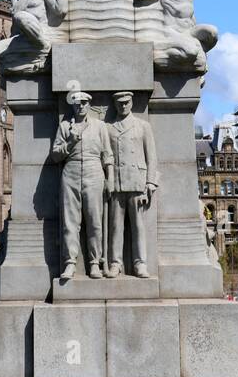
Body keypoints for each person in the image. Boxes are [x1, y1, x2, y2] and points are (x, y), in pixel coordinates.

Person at [52, 90, 113, 280]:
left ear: (89, 105)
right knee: (71, 223)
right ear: (72, 105)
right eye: (77, 103)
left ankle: (95, 263)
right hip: (70, 171)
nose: (81, 106)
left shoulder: (100, 126)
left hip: (94, 172)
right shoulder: (64, 126)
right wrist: (69, 143)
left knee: (95, 221)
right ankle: (70, 262)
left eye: (84, 103)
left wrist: (109, 178)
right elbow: (55, 155)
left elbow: (107, 155)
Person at [106, 91, 159, 278]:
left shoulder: (143, 126)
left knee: (138, 227)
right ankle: (115, 263)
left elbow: (151, 157)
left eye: (126, 102)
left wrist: (150, 183)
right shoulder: (108, 128)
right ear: (115, 104)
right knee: (115, 227)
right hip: (117, 184)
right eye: (119, 103)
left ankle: (140, 263)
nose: (123, 106)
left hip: (137, 182)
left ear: (132, 102)